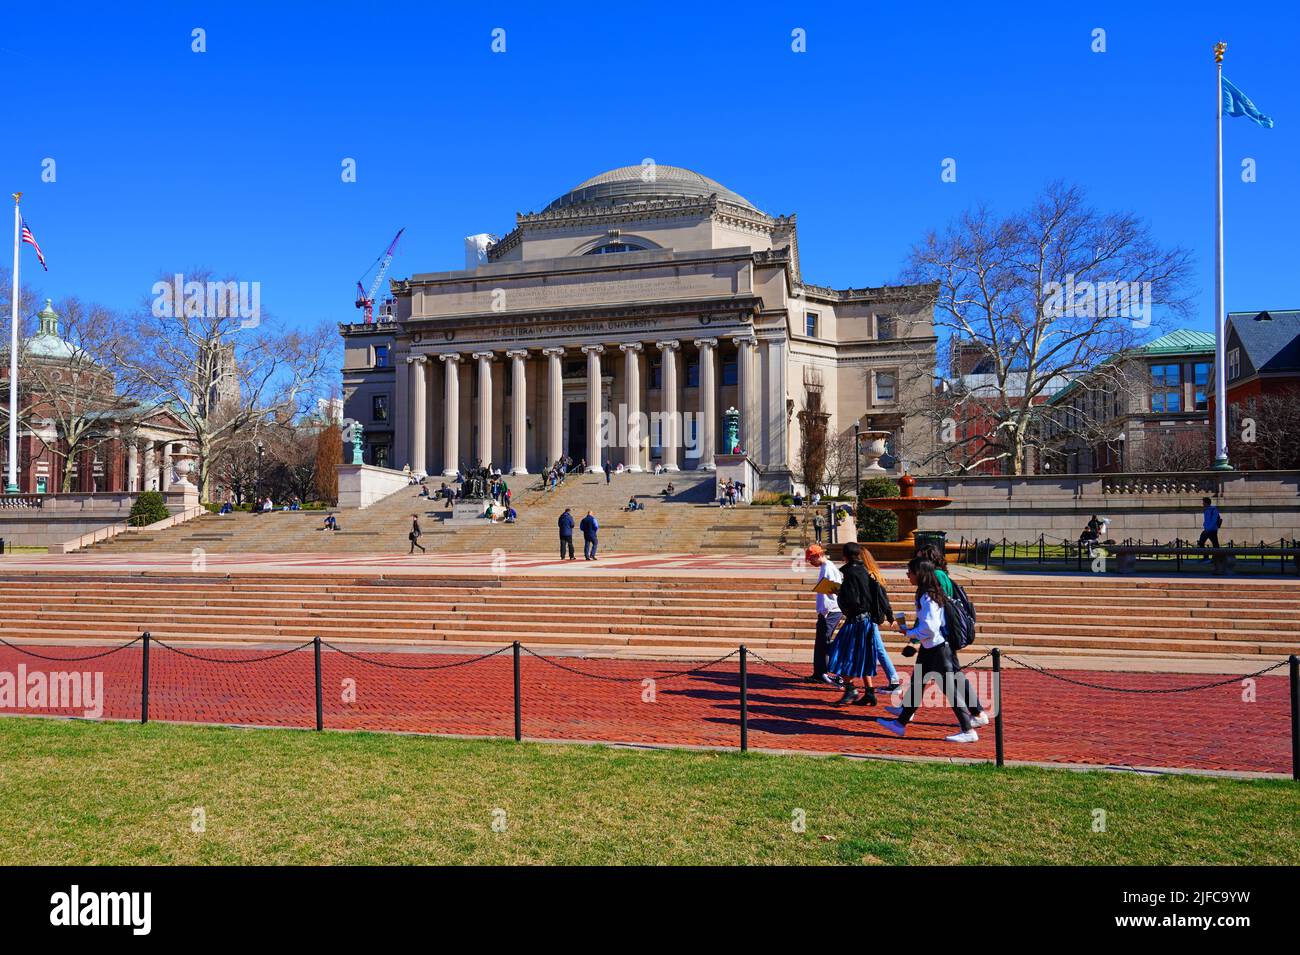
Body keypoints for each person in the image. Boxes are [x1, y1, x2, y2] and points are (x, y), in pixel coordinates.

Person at [875, 556, 978, 743]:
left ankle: (968, 730)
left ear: (919, 574)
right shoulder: (928, 593)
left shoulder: (928, 595)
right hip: (931, 648)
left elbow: (930, 627)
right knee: (917, 686)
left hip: (938, 649)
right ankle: (899, 724)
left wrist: (910, 632)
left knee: (949, 690)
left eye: (910, 572)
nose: (908, 575)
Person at [915, 542, 985, 720]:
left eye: (920, 556)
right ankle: (905, 713)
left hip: (941, 635)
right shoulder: (941, 574)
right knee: (924, 674)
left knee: (950, 678)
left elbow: (935, 606)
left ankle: (974, 715)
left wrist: (915, 634)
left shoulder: (936, 576)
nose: (917, 560)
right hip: (939, 635)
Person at [824, 543, 893, 706]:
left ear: (845, 556)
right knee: (863, 656)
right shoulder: (866, 572)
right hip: (867, 621)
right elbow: (879, 594)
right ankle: (869, 693)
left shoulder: (849, 573)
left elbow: (852, 600)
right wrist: (889, 614)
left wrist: (839, 593)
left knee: (839, 653)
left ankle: (850, 689)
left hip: (855, 621)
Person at [803, 544, 843, 686]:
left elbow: (835, 590)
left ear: (817, 555)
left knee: (824, 642)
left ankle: (826, 672)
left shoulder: (828, 568)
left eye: (811, 559)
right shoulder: (826, 567)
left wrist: (824, 612)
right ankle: (819, 672)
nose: (810, 562)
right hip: (828, 611)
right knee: (821, 642)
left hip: (830, 611)